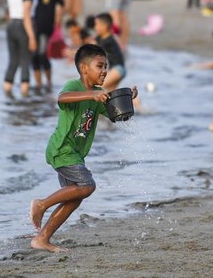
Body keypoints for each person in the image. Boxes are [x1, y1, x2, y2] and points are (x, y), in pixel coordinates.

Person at [29, 44, 138, 253]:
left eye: (106, 66)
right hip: (62, 149)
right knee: (87, 185)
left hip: (74, 154)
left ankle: (41, 239)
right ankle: (41, 205)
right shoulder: (75, 86)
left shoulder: (99, 95)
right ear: (84, 67)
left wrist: (127, 99)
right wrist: (90, 95)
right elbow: (62, 98)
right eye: (100, 66)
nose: (105, 70)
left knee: (76, 197)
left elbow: (118, 116)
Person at [28, 0, 64, 93]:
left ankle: (48, 82)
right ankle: (38, 84)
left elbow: (60, 5)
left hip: (47, 27)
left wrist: (58, 23)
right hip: (33, 27)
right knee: (34, 56)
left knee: (43, 54)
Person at [3, 0, 36, 98]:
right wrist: (32, 37)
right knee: (25, 61)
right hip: (22, 25)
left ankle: (7, 92)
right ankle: (24, 96)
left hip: (11, 25)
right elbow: (26, 16)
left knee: (12, 61)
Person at [93, 13, 126, 91]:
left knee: (96, 88)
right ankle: (134, 101)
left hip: (117, 69)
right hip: (115, 70)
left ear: (104, 26)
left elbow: (92, 50)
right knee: (111, 94)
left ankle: (133, 96)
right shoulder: (100, 38)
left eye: (96, 25)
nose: (95, 27)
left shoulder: (109, 40)